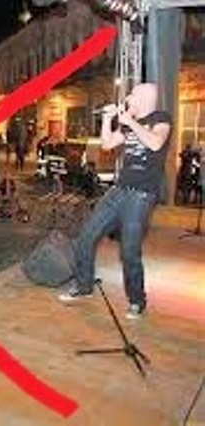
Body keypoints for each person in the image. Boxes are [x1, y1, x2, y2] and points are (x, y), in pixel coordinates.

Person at [58, 83, 172, 320]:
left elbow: (155, 143)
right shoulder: (129, 122)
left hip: (141, 194)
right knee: (85, 237)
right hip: (119, 190)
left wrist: (130, 122)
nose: (128, 97)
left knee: (129, 252)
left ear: (145, 98)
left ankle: (137, 301)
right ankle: (84, 285)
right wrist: (108, 120)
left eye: (132, 94)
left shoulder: (161, 118)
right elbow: (107, 144)